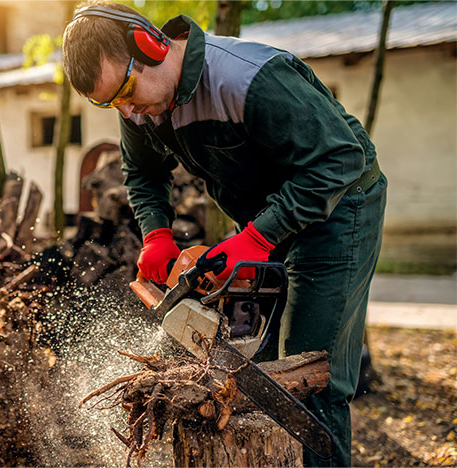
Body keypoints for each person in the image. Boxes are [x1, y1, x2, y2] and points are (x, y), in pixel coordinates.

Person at [62, 2, 387, 466]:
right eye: (112, 102)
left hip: (339, 208)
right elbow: (142, 173)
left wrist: (256, 238)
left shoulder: (247, 78)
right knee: (259, 368)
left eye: (127, 91)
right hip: (266, 220)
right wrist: (156, 234)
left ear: (150, 45)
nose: (128, 110)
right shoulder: (139, 103)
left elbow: (340, 160)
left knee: (309, 372)